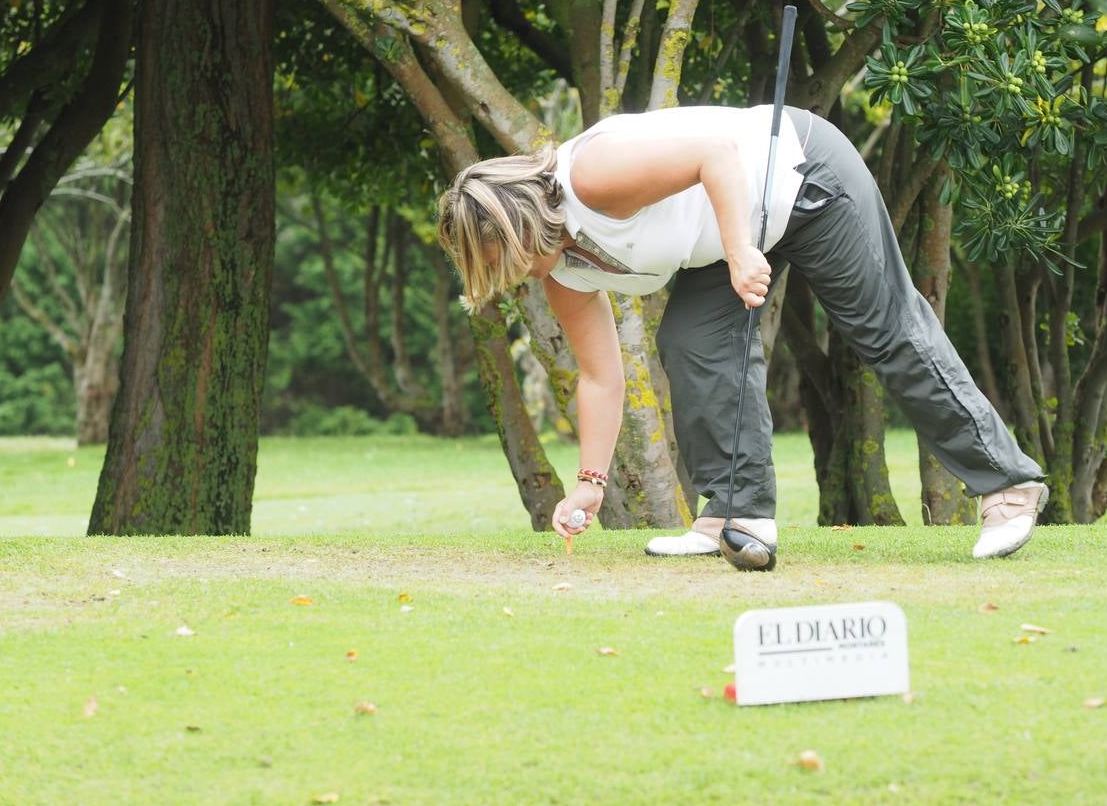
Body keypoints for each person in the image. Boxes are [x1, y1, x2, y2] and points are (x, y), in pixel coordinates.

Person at [436, 104, 1048, 561]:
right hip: (732, 232)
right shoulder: (561, 271)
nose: (501, 275)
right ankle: (737, 515)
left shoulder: (593, 177)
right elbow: (601, 378)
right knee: (692, 341)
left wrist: (738, 251)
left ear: (517, 225)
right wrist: (589, 485)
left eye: (495, 258)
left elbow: (716, 153)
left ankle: (1009, 486)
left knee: (883, 330)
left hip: (803, 179)